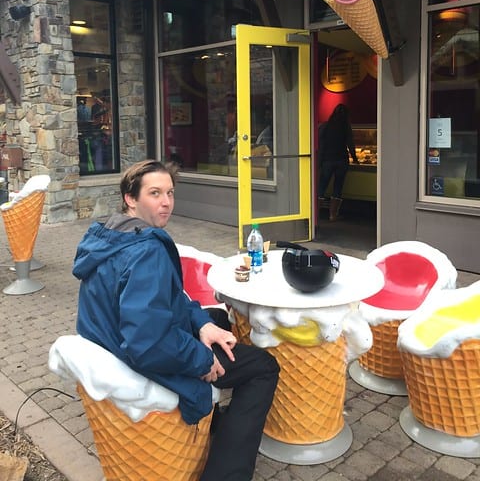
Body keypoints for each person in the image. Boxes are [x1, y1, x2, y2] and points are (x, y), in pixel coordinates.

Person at [72, 159, 279, 481]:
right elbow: (148, 342)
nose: (166, 202)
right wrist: (201, 359)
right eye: (155, 193)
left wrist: (202, 324)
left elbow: (171, 299)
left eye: (169, 192)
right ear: (131, 197)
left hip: (118, 339)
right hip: (141, 358)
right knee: (263, 367)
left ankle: (221, 424)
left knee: (215, 318)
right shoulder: (146, 253)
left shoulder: (112, 234)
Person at [317, 104, 358, 222]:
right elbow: (350, 143)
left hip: (327, 161)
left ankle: (316, 214)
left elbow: (321, 145)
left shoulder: (326, 126)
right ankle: (333, 215)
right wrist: (354, 158)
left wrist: (319, 162)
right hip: (341, 160)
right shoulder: (345, 127)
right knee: (338, 187)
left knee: (321, 187)